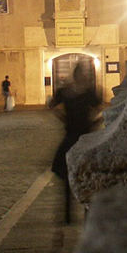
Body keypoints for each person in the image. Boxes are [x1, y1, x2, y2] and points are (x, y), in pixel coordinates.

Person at [48, 62, 103, 223]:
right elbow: (52, 106)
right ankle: (71, 212)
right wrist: (93, 121)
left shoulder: (81, 92)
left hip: (80, 135)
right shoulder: (75, 92)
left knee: (81, 174)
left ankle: (75, 213)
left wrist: (64, 118)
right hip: (78, 134)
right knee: (71, 174)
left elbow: (52, 106)